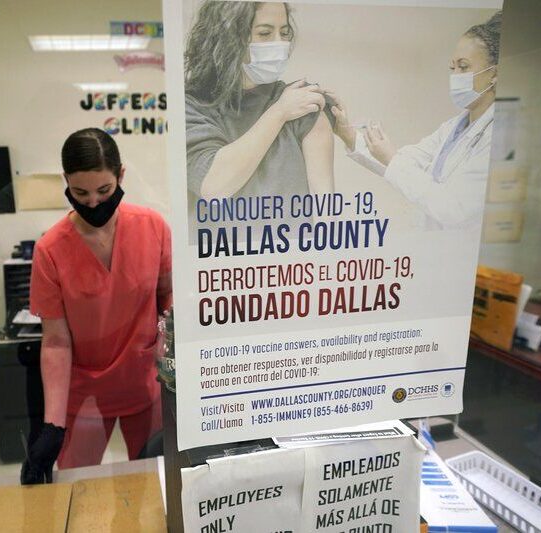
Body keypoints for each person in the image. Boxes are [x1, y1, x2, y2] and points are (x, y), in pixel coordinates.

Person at [21, 128, 172, 484]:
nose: (92, 203)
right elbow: (56, 341)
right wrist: (52, 425)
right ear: (66, 183)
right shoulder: (51, 249)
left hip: (143, 382)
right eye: (79, 193)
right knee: (77, 484)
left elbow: (168, 302)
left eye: (104, 191)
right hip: (83, 393)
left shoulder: (152, 227)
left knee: (154, 481)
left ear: (121, 176)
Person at [328, 12, 502, 230]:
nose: (456, 75)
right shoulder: (453, 128)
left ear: (495, 73)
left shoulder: (498, 136)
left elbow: (455, 210)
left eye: (464, 67)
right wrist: (347, 133)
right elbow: (404, 162)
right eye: (452, 67)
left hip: (462, 253)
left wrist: (391, 158)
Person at [185, 0, 334, 207]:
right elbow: (214, 186)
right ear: (228, 37)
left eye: (284, 32)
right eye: (264, 33)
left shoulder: (302, 101)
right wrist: (279, 112)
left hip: (292, 240)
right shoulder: (191, 105)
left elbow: (326, 210)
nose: (279, 43)